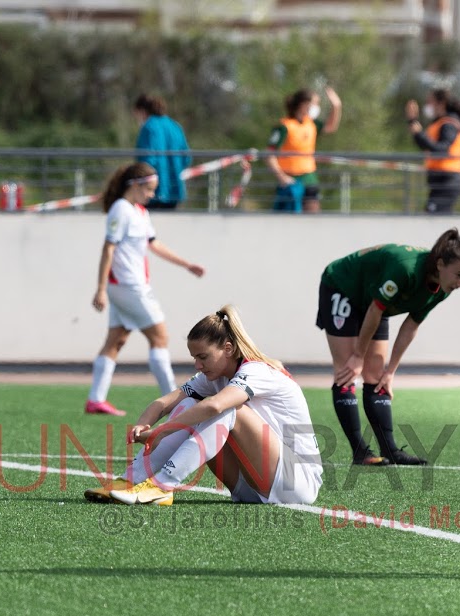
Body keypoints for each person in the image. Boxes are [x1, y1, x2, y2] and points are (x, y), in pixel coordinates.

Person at [84, 304, 323, 506]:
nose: (197, 365)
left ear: (228, 349)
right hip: (250, 489)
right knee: (190, 404)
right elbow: (164, 402)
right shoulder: (215, 376)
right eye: (194, 358)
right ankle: (128, 480)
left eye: (203, 357)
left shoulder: (257, 370)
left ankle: (163, 484)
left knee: (227, 410)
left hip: (296, 483)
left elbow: (215, 407)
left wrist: (160, 431)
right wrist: (143, 425)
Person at [317, 229, 460, 466]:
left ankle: (390, 450)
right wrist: (358, 356)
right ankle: (360, 452)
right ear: (441, 264)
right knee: (347, 369)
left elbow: (410, 326)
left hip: (375, 301)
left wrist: (391, 371)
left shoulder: (443, 288)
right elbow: (375, 310)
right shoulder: (406, 269)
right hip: (344, 287)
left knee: (377, 374)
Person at [85, 162, 205, 416]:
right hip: (128, 285)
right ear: (136, 186)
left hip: (130, 285)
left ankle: (96, 399)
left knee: (116, 340)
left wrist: (186, 264)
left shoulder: (140, 212)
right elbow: (108, 248)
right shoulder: (120, 209)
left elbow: (154, 244)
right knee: (160, 337)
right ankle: (174, 400)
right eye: (149, 189)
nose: (152, 195)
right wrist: (100, 289)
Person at [265, 86, 342, 213]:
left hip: (309, 177)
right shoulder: (284, 127)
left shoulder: (311, 124)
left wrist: (337, 106)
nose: (317, 107)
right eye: (315, 103)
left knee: (313, 215)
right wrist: (281, 176)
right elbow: (269, 154)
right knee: (289, 218)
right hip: (289, 180)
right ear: (303, 104)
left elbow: (330, 127)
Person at [405, 89, 460, 214]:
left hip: (448, 181)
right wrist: (413, 122)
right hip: (440, 181)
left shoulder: (449, 124)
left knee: (432, 218)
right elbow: (427, 146)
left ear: (441, 103)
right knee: (436, 219)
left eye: (430, 102)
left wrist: (420, 134)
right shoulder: (440, 123)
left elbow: (441, 149)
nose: (427, 106)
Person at [133, 93, 191, 210]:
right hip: (174, 190)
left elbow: (146, 161)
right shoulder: (175, 126)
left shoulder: (148, 127)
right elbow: (186, 158)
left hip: (153, 191)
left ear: (142, 111)